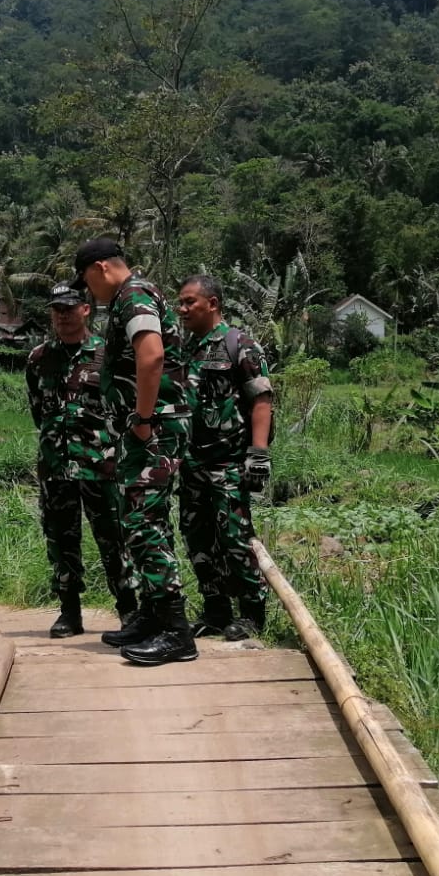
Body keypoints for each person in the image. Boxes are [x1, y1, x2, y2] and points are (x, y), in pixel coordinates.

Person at [75, 238, 196, 665]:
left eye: (87, 280)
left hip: (154, 427)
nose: (88, 291)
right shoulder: (131, 297)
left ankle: (176, 632)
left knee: (145, 523)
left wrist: (143, 419)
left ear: (102, 267)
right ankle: (153, 615)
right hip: (145, 429)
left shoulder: (135, 295)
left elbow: (151, 357)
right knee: (141, 520)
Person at [26, 282, 139, 638]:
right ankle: (69, 613)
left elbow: (125, 409)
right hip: (55, 466)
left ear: (85, 310)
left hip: (100, 466)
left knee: (112, 539)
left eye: (69, 308)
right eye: (56, 309)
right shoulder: (40, 358)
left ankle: (128, 612)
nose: (62, 315)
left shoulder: (107, 355)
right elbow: (37, 411)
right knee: (61, 540)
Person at [174, 274, 274, 640]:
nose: (182, 309)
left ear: (212, 304)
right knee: (196, 536)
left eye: (189, 303)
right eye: (180, 303)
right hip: (192, 463)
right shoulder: (185, 349)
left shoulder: (241, 345)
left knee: (234, 536)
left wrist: (258, 455)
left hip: (229, 463)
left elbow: (261, 401)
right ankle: (216, 609)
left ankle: (252, 613)